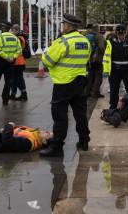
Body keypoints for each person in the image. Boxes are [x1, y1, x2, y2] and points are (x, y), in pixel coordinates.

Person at [39, 14, 91, 157]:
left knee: (60, 116)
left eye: (63, 24)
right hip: (80, 82)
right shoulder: (85, 41)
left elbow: (48, 61)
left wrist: (45, 52)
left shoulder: (63, 41)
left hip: (63, 83)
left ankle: (57, 147)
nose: (62, 27)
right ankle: (84, 141)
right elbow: (87, 58)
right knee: (80, 114)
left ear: (67, 26)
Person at [102, 24, 128, 110]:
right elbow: (106, 57)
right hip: (115, 70)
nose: (121, 36)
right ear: (116, 33)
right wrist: (106, 70)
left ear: (126, 33)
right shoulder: (110, 42)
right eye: (119, 34)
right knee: (114, 90)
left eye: (123, 34)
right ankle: (113, 106)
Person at [85, 23, 106, 98]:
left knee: (90, 76)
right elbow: (101, 47)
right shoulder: (99, 36)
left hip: (88, 59)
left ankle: (87, 92)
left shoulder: (86, 36)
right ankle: (95, 93)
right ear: (97, 29)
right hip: (97, 59)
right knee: (98, 76)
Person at [9, 25, 28, 101]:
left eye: (12, 30)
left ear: (16, 30)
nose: (11, 31)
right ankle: (14, 94)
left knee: (18, 79)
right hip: (19, 62)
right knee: (16, 79)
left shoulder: (18, 38)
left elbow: (16, 49)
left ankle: (23, 95)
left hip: (17, 62)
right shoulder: (21, 38)